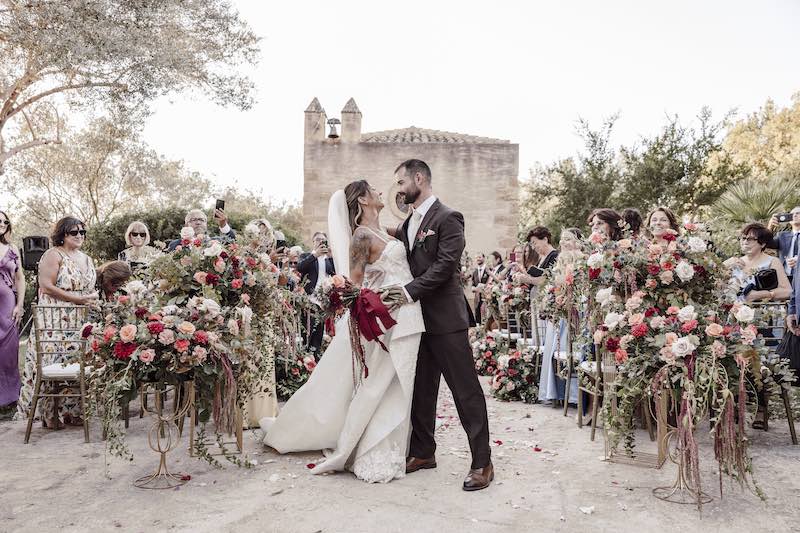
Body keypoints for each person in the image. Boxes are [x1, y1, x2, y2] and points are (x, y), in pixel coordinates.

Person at [261, 179, 425, 484]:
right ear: (363, 201)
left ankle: (390, 444)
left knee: (399, 383)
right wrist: (373, 305)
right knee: (378, 384)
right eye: (374, 190)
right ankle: (359, 449)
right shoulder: (361, 236)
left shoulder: (386, 231)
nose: (380, 192)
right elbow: (355, 285)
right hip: (385, 319)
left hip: (406, 314)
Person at [386, 158, 492, 491]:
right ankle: (423, 452)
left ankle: (482, 463)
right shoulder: (407, 224)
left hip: (446, 319)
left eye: (402, 183)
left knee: (465, 391)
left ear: (419, 178)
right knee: (422, 389)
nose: (399, 190)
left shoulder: (448, 217)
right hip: (417, 322)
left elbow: (446, 266)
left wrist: (407, 292)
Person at [16, 217, 99, 427]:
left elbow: (88, 289)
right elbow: (45, 285)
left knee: (79, 361)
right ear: (62, 234)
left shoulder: (87, 258)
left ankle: (74, 412)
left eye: (82, 232)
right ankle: (50, 415)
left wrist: (91, 301)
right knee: (54, 362)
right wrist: (77, 299)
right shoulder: (53, 254)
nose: (79, 235)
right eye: (74, 232)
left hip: (79, 320)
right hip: (54, 322)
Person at [724, 223, 790, 303]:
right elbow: (716, 287)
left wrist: (764, 294)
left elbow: (788, 291)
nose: (745, 242)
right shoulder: (734, 262)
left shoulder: (772, 261)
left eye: (750, 239)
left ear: (762, 244)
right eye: (743, 238)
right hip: (736, 311)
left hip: (765, 312)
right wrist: (724, 266)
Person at [0, 210, 24, 409]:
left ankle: (9, 398)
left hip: (7, 305)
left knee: (9, 351)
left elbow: (20, 278)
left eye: (5, 221)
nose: (2, 223)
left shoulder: (12, 248)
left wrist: (20, 304)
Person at [297, 232, 335, 356]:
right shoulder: (306, 256)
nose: (321, 242)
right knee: (306, 333)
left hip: (323, 302)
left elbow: (335, 274)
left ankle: (315, 359)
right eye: (318, 239)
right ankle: (303, 358)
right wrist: (315, 255)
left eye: (324, 240)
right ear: (313, 242)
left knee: (318, 334)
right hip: (309, 301)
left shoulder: (328, 260)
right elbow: (300, 267)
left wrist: (330, 256)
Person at [167, 208, 235, 251]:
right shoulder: (175, 244)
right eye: (193, 220)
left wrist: (223, 225)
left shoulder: (217, 241)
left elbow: (232, 240)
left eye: (201, 220)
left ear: (206, 224)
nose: (198, 222)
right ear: (186, 225)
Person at [767, 206, 800, 283]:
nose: (794, 215)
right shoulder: (782, 235)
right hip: (785, 278)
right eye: (791, 214)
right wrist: (770, 228)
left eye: (798, 213)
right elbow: (767, 243)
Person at [470, 253, 490, 324]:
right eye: (476, 258)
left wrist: (483, 286)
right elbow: (473, 284)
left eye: (479, 257)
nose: (478, 259)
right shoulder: (475, 271)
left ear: (483, 258)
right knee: (477, 316)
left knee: (486, 316)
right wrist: (473, 288)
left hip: (486, 296)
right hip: (477, 297)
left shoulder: (488, 270)